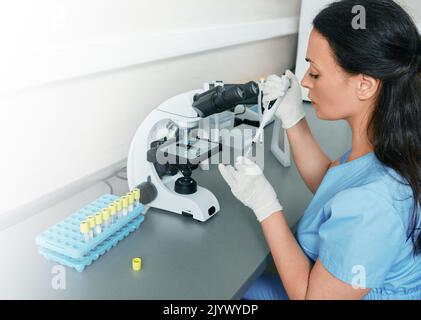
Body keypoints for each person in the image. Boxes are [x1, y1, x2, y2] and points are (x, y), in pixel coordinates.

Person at [218, 0, 421, 300]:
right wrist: (293, 117)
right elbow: (338, 184)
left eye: (315, 72)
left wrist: (265, 204)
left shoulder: (376, 203)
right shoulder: (393, 141)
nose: (303, 81)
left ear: (365, 86)